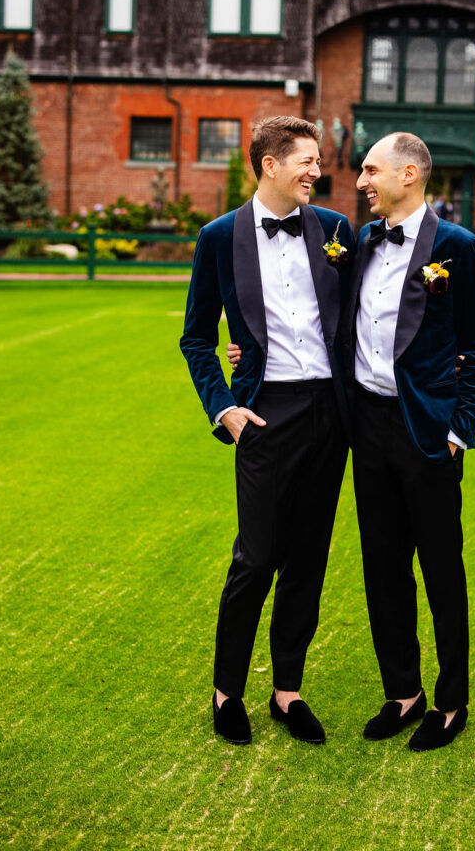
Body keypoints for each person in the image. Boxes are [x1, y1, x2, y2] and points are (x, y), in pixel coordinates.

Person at [180, 116, 355, 746]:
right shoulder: (218, 237)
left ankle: (287, 692)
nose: (316, 170)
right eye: (305, 161)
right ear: (269, 165)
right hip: (263, 415)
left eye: (316, 161)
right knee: (256, 559)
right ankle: (228, 692)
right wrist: (223, 406)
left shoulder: (336, 230)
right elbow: (197, 336)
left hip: (329, 415)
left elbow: (369, 313)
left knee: (307, 559)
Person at [345, 131, 475, 751]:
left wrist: (461, 428)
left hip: (429, 434)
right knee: (383, 567)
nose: (362, 181)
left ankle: (451, 701)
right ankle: (402, 692)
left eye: (370, 170)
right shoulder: (358, 242)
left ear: (408, 175)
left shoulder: (459, 249)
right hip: (367, 426)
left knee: (440, 569)